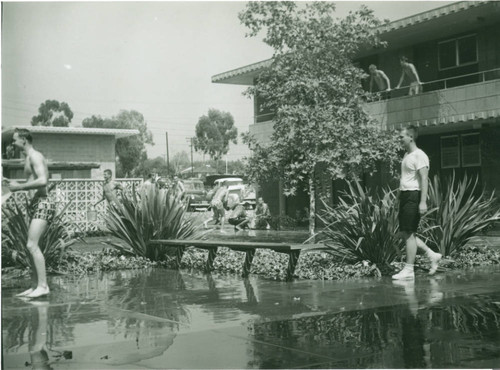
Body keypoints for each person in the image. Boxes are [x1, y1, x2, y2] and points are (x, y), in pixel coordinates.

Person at [7, 128, 54, 298]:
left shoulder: (35, 156)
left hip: (43, 203)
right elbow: (31, 180)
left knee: (31, 245)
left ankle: (43, 286)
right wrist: (11, 183)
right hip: (36, 204)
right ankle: (35, 286)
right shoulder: (27, 157)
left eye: (14, 140)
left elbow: (43, 181)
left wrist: (19, 187)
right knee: (32, 246)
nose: (12, 143)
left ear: (24, 140)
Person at [392, 126, 442, 280]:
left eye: (402, 137)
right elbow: (405, 179)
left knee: (408, 233)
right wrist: (397, 199)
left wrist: (422, 202)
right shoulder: (407, 155)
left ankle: (409, 270)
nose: (399, 140)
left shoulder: (420, 155)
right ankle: (432, 255)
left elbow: (424, 178)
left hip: (414, 195)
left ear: (411, 137)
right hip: (406, 196)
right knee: (405, 233)